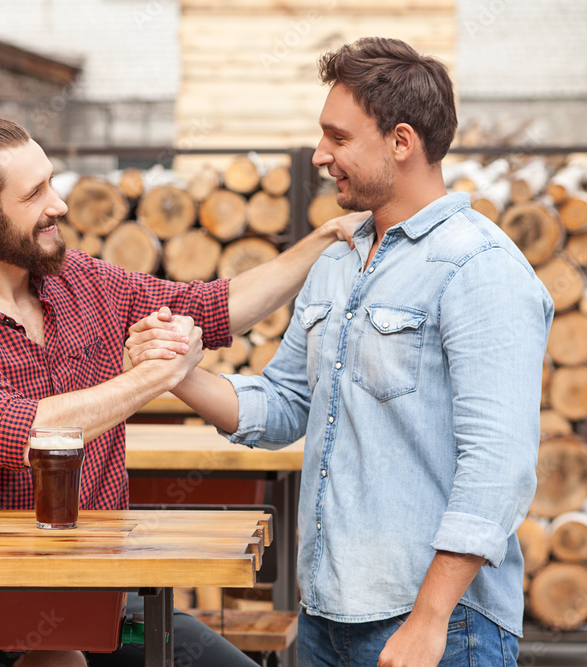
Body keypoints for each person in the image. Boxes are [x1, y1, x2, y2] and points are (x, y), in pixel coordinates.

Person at [127, 38, 554, 667]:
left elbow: (500, 468)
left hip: (438, 626)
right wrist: (177, 373)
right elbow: (284, 404)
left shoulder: (479, 269)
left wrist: (428, 621)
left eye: (339, 138)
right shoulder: (337, 259)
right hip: (327, 617)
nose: (322, 155)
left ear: (400, 142)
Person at [0, 116, 362, 667]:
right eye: (34, 193)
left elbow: (211, 308)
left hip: (109, 598)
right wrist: (152, 377)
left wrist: (322, 241)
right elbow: (11, 433)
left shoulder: (79, 280)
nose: (59, 204)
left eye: (52, 182)